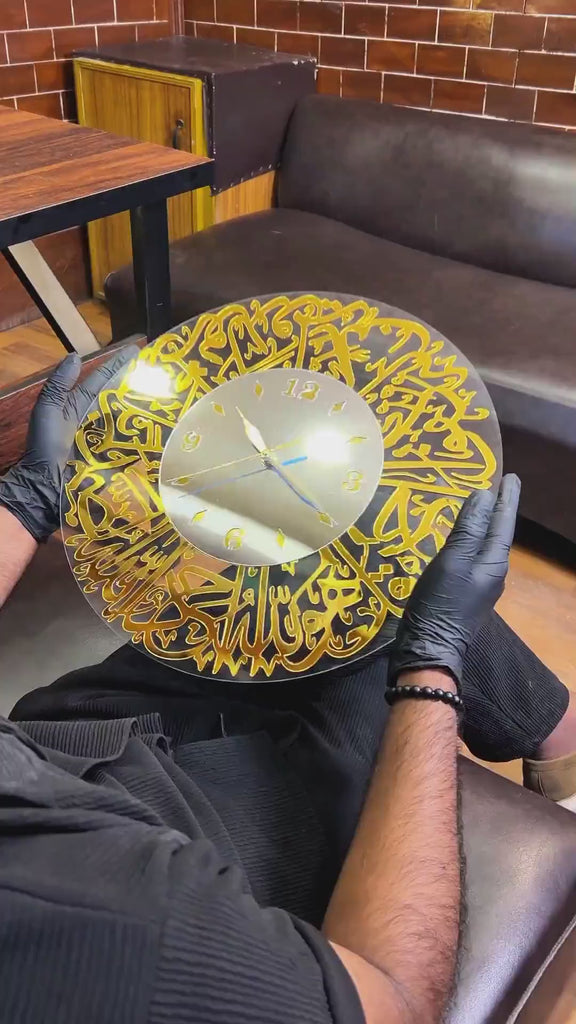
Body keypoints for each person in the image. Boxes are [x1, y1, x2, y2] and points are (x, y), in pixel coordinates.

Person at [0, 352, 574, 1024]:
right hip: (177, 832)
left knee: (319, 572)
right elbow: (393, 1002)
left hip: (60, 740)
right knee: (388, 604)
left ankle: (557, 740)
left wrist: (26, 500)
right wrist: (431, 666)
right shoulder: (113, 924)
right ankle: (563, 753)